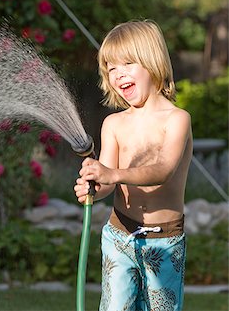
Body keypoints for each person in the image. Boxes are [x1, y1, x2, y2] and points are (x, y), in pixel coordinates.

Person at [74, 20, 192, 311]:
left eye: (127, 63)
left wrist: (112, 173)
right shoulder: (113, 123)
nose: (118, 74)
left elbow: (163, 171)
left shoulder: (177, 120)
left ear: (152, 61)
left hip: (163, 242)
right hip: (119, 236)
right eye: (111, 68)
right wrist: (94, 186)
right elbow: (108, 182)